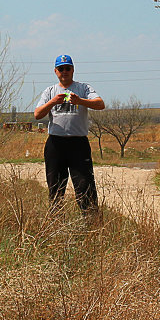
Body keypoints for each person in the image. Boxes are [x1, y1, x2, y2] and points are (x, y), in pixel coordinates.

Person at [33, 54, 105, 216]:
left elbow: (100, 104)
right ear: (55, 71)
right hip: (55, 145)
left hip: (78, 145)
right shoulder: (50, 91)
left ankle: (92, 223)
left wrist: (80, 101)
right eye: (61, 69)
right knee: (55, 187)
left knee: (85, 186)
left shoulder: (83, 88)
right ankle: (56, 222)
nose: (64, 71)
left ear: (73, 69)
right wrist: (53, 102)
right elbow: (37, 114)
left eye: (67, 68)